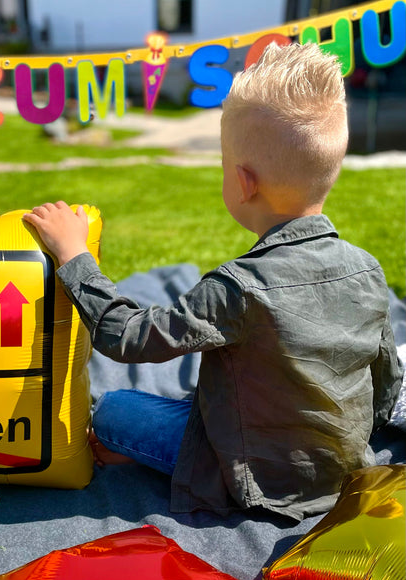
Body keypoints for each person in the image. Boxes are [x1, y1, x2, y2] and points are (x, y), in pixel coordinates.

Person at [23, 42, 403, 522]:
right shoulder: (368, 268)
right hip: (342, 469)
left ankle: (150, 454)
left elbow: (125, 336)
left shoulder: (238, 287)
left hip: (250, 478)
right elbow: (386, 377)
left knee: (114, 409)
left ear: (244, 183)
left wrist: (73, 255)